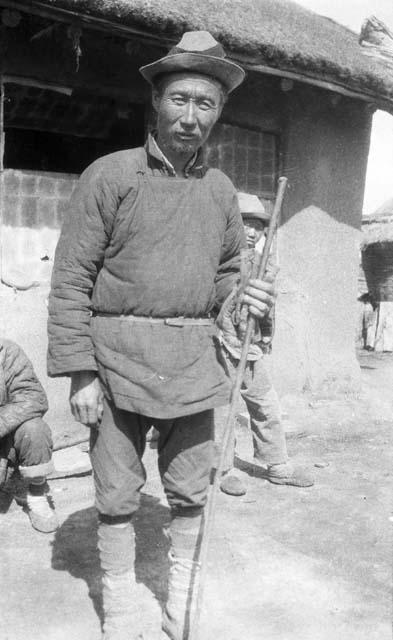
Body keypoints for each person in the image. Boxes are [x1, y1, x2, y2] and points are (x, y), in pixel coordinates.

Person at [47, 31, 275, 640]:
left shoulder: (221, 190)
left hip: (195, 361)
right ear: (156, 100)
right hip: (116, 359)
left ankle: (182, 598)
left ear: (219, 111)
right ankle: (119, 610)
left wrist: (245, 296)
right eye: (180, 100)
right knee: (118, 494)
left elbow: (229, 275)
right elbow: (71, 279)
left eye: (206, 103)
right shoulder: (111, 176)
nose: (191, 116)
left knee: (192, 489)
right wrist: (82, 372)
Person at [216, 193, 314, 496]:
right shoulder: (220, 258)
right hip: (221, 344)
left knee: (266, 404)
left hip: (251, 346)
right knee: (224, 410)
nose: (252, 231)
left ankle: (278, 466)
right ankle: (224, 469)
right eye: (246, 223)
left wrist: (264, 325)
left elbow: (268, 304)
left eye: (258, 226)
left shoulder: (264, 262)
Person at [0, 338, 58, 533]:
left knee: (34, 430)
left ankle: (36, 495)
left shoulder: (7, 352)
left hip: (6, 441)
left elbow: (33, 397)